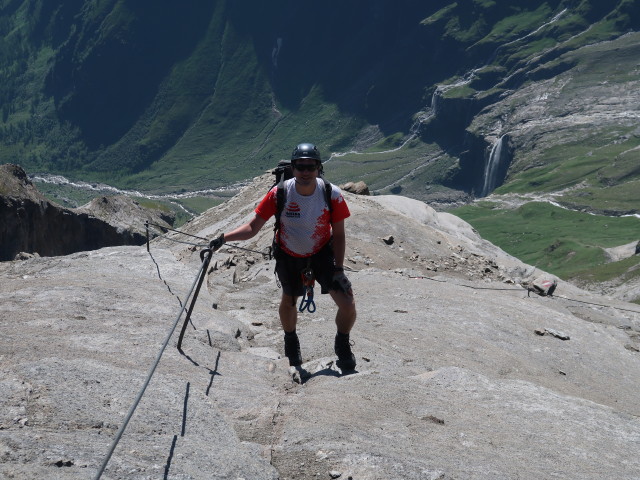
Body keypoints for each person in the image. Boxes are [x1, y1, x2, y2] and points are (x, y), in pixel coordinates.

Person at [210, 143, 357, 370]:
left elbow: (339, 234)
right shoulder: (280, 193)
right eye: (300, 167)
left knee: (347, 304)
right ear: (293, 167)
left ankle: (342, 343)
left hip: (321, 254)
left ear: (319, 168)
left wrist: (338, 269)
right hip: (289, 256)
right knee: (289, 300)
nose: (305, 172)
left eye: (310, 166)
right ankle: (291, 341)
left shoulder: (331, 194)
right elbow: (253, 227)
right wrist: (223, 238)